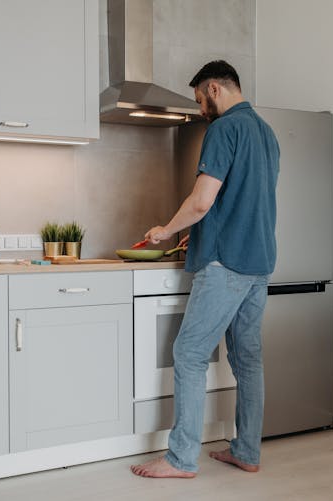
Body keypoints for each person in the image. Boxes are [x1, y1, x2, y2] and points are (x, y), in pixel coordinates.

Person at [130, 60, 280, 478]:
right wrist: (196, 233)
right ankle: (247, 451)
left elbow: (201, 200)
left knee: (189, 354)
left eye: (199, 100)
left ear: (214, 89)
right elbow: (246, 201)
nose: (200, 111)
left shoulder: (224, 129)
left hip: (227, 263)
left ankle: (180, 458)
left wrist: (165, 229)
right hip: (259, 263)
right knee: (248, 360)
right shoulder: (267, 134)